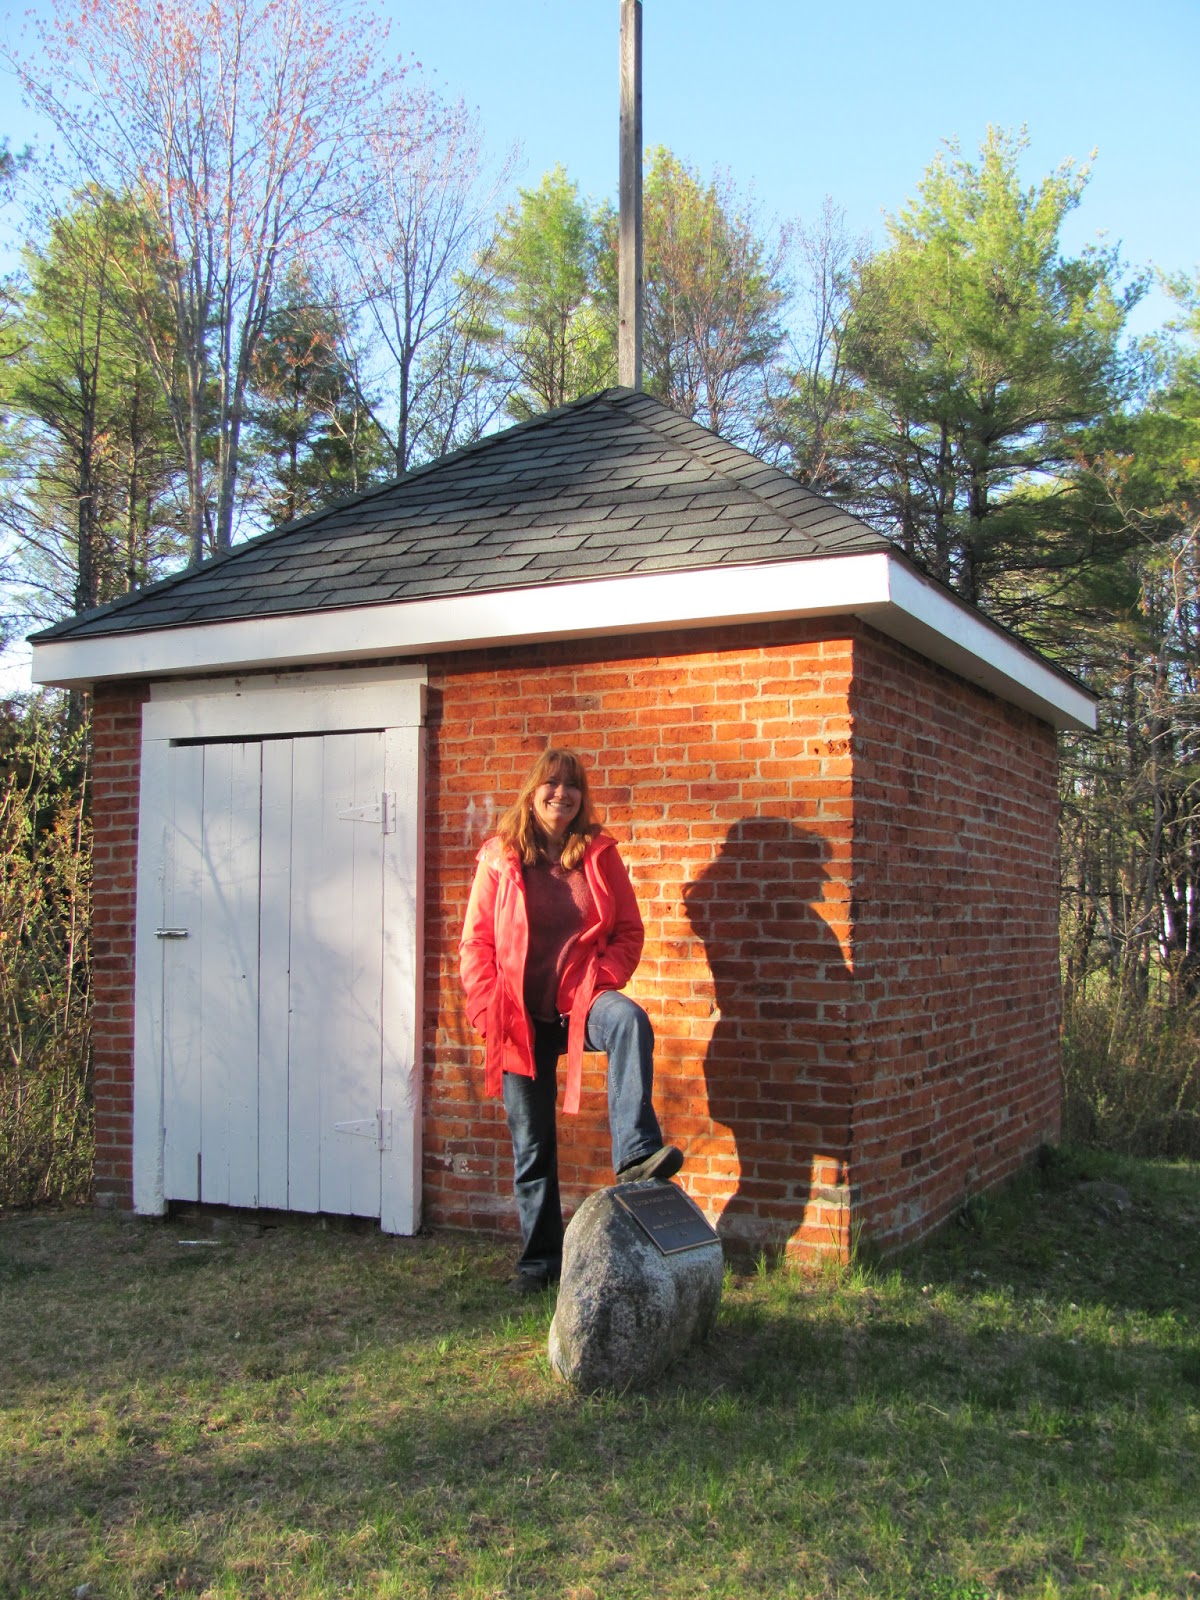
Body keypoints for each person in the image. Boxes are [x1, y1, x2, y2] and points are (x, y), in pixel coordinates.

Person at [459, 747, 683, 1293]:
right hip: (518, 1017)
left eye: (572, 785)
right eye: (552, 784)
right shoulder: (500, 857)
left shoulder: (599, 854)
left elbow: (628, 931)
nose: (562, 794)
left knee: (628, 1021)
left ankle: (635, 1152)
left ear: (582, 796)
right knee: (533, 1146)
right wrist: (487, 1009)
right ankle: (540, 1264)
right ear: (533, 792)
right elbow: (477, 943)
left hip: (580, 1002)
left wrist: (601, 976)